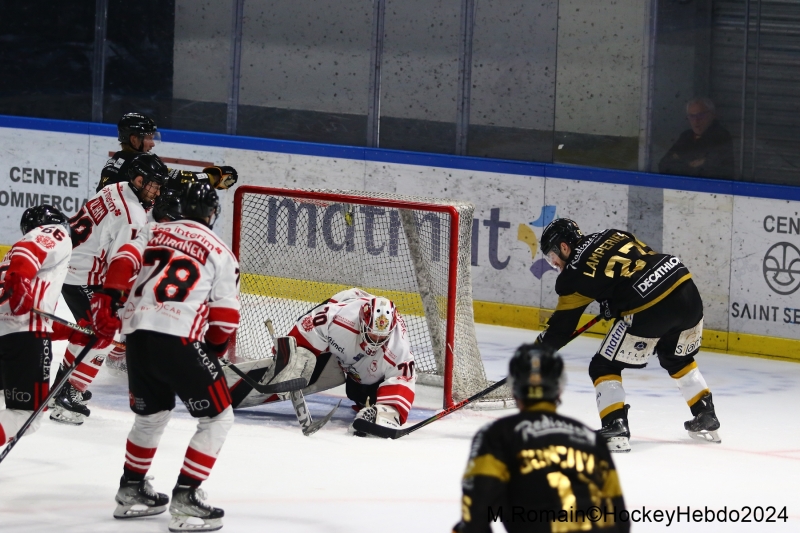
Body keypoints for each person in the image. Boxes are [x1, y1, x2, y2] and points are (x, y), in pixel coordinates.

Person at [90, 181, 239, 531]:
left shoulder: (153, 231)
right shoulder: (220, 251)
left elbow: (124, 258)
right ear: (213, 213)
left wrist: (108, 296)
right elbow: (225, 320)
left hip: (138, 339)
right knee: (218, 418)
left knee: (151, 417)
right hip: (180, 341)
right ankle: (187, 499)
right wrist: (212, 351)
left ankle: (131, 491)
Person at [534, 218, 720, 452]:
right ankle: (705, 412)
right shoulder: (612, 234)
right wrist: (615, 299)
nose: (555, 264)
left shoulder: (571, 277)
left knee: (603, 367)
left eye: (553, 256)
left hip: (650, 305)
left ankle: (615, 427)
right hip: (684, 286)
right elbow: (638, 264)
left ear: (563, 246)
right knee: (676, 358)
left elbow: (561, 329)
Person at [453, 345, 628, 533]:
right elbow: (620, 520)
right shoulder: (591, 439)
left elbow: (476, 513)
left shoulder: (497, 434)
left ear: (513, 387)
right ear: (559, 389)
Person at [49, 152, 167, 425]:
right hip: (82, 277)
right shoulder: (133, 216)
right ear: (139, 180)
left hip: (71, 264)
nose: (158, 191)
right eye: (154, 184)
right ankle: (68, 392)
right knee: (103, 330)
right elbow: (119, 266)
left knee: (90, 329)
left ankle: (62, 387)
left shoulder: (116, 187)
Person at [226, 287, 416, 433]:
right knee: (303, 355)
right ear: (362, 323)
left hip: (363, 368)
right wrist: (292, 353)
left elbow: (404, 377)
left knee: (358, 393)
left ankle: (365, 395)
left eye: (381, 337)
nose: (376, 340)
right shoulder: (339, 318)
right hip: (346, 303)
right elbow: (309, 324)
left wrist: (388, 412)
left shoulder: (398, 346)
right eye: (372, 334)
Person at [0, 206, 76, 444]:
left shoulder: (10, 255)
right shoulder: (56, 233)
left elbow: (16, 314)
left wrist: (69, 331)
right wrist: (20, 278)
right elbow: (29, 250)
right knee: (26, 415)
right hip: (22, 338)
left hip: (11, 336)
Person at [97, 112, 239, 193]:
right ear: (134, 140)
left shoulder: (117, 159)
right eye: (148, 138)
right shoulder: (138, 163)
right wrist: (213, 177)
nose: (152, 143)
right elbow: (177, 179)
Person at [658, 97, 734, 179]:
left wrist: (680, 160)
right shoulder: (686, 136)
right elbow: (663, 165)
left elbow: (709, 170)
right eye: (692, 116)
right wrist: (690, 164)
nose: (696, 121)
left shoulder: (721, 136)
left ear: (712, 115)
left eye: (700, 115)